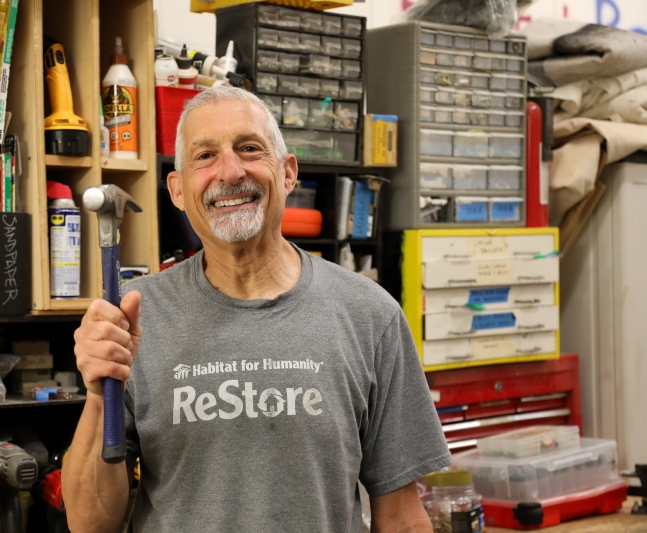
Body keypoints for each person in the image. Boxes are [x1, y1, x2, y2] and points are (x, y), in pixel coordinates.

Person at [62, 86, 451, 532]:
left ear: (287, 173)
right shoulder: (134, 316)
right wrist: (98, 393)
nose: (230, 171)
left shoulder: (369, 314)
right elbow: (90, 523)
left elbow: (401, 518)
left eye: (249, 149)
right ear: (177, 190)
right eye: (204, 156)